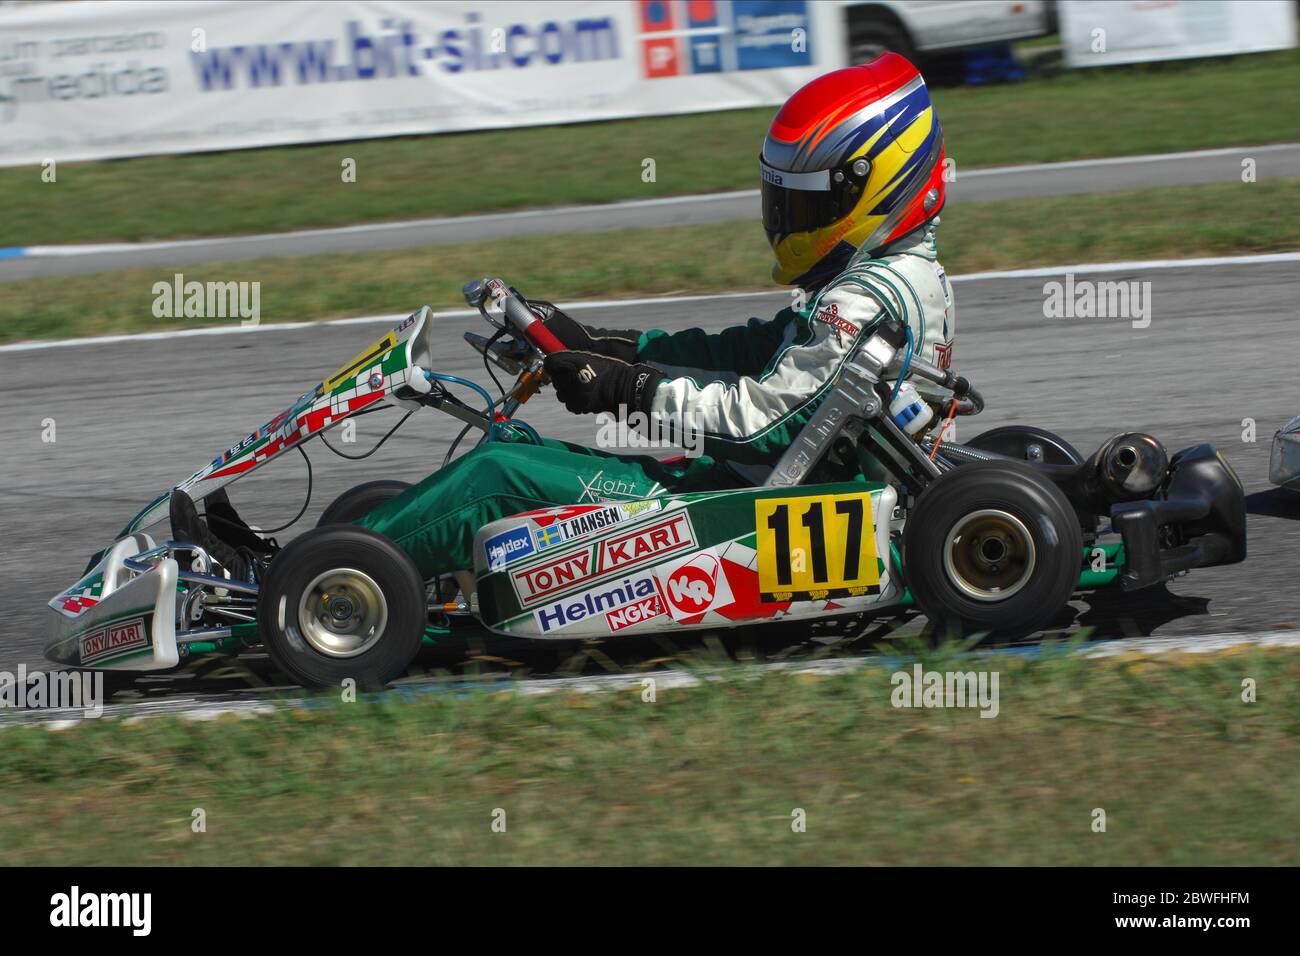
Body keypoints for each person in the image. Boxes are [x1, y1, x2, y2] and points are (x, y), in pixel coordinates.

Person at [172, 52, 955, 585]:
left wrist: (624, 388)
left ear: (871, 186)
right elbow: (749, 354)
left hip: (747, 513)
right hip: (759, 489)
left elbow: (762, 425)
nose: (787, 218)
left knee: (499, 473)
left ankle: (287, 583)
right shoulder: (894, 281)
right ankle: (352, 553)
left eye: (806, 202)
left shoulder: (862, 302)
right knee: (513, 452)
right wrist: (606, 347)